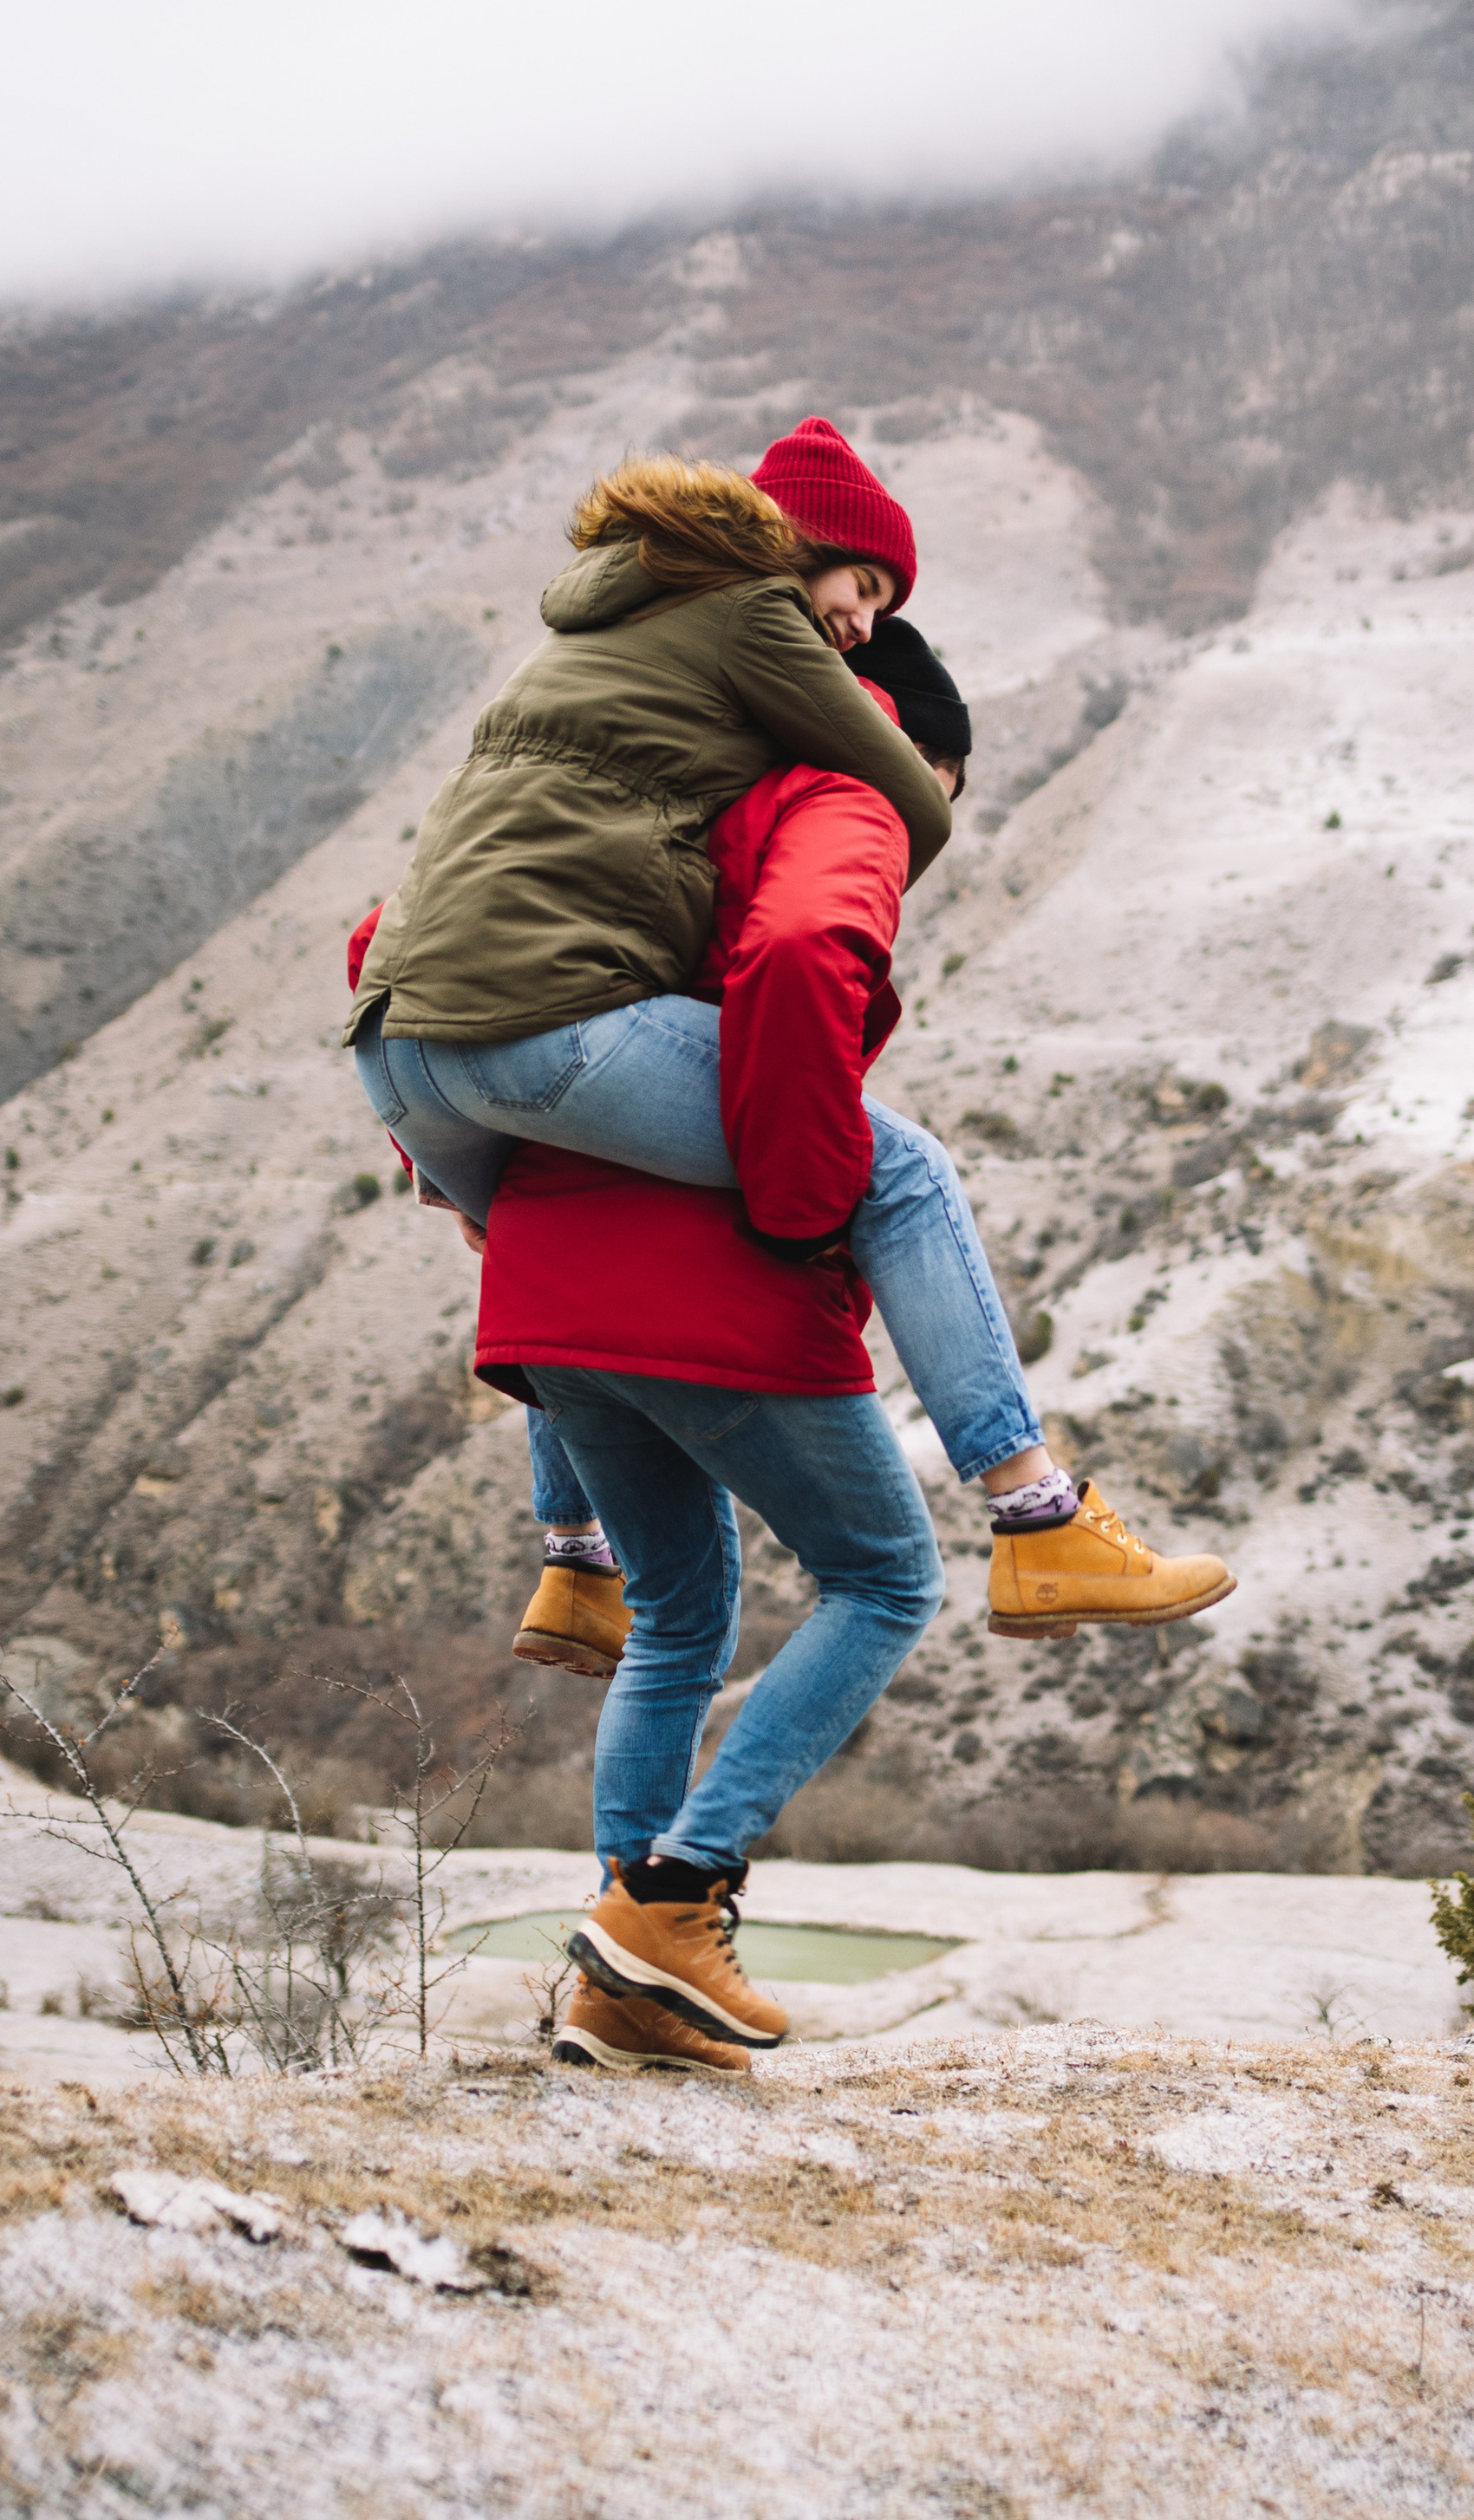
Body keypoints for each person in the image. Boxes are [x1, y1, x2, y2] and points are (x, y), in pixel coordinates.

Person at [351, 420, 1236, 1658]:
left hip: (398, 1047)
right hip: (530, 1027)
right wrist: (800, 1186)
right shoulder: (753, 615)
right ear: (802, 552)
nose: (866, 623)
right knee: (907, 1174)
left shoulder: (598, 628)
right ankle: (1041, 1518)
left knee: (549, 1213)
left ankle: (577, 1562)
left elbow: (395, 921)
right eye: (863, 587)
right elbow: (897, 790)